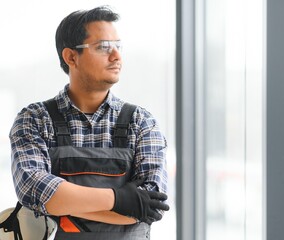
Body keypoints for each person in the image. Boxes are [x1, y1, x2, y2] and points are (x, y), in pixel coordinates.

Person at [9, 5, 169, 239]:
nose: (116, 56)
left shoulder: (141, 123)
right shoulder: (34, 120)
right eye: (104, 47)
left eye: (118, 46)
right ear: (71, 57)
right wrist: (119, 199)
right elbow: (35, 190)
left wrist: (64, 208)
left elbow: (151, 206)